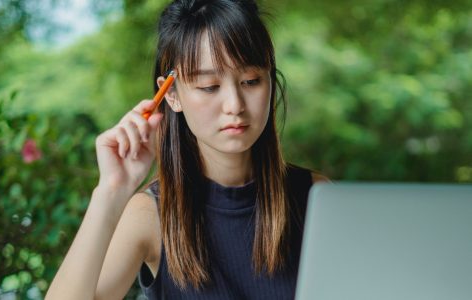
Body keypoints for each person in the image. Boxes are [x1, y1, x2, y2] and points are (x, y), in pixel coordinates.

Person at [46, 0, 329, 299]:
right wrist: (110, 192)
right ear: (171, 95)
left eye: (251, 81)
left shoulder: (316, 198)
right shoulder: (149, 214)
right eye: (209, 86)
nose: (235, 105)